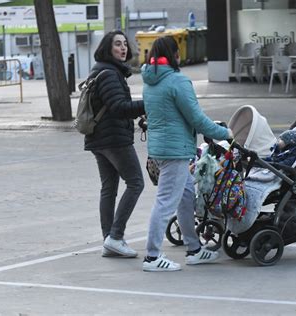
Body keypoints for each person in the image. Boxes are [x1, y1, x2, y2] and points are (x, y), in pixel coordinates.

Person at [141, 36, 233, 272]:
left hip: (160, 150)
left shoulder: (150, 81)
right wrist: (226, 132)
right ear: (175, 54)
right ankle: (152, 257)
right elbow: (197, 119)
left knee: (185, 197)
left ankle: (194, 249)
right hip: (175, 151)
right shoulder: (177, 82)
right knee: (165, 202)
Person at [84, 30, 145, 258]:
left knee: (109, 189)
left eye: (124, 44)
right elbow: (119, 108)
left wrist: (138, 115)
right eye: (117, 44)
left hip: (100, 138)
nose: (123, 48)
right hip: (113, 139)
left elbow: (113, 107)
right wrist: (147, 104)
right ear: (107, 49)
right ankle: (115, 236)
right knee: (136, 183)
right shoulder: (109, 74)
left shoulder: (102, 71)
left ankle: (109, 239)